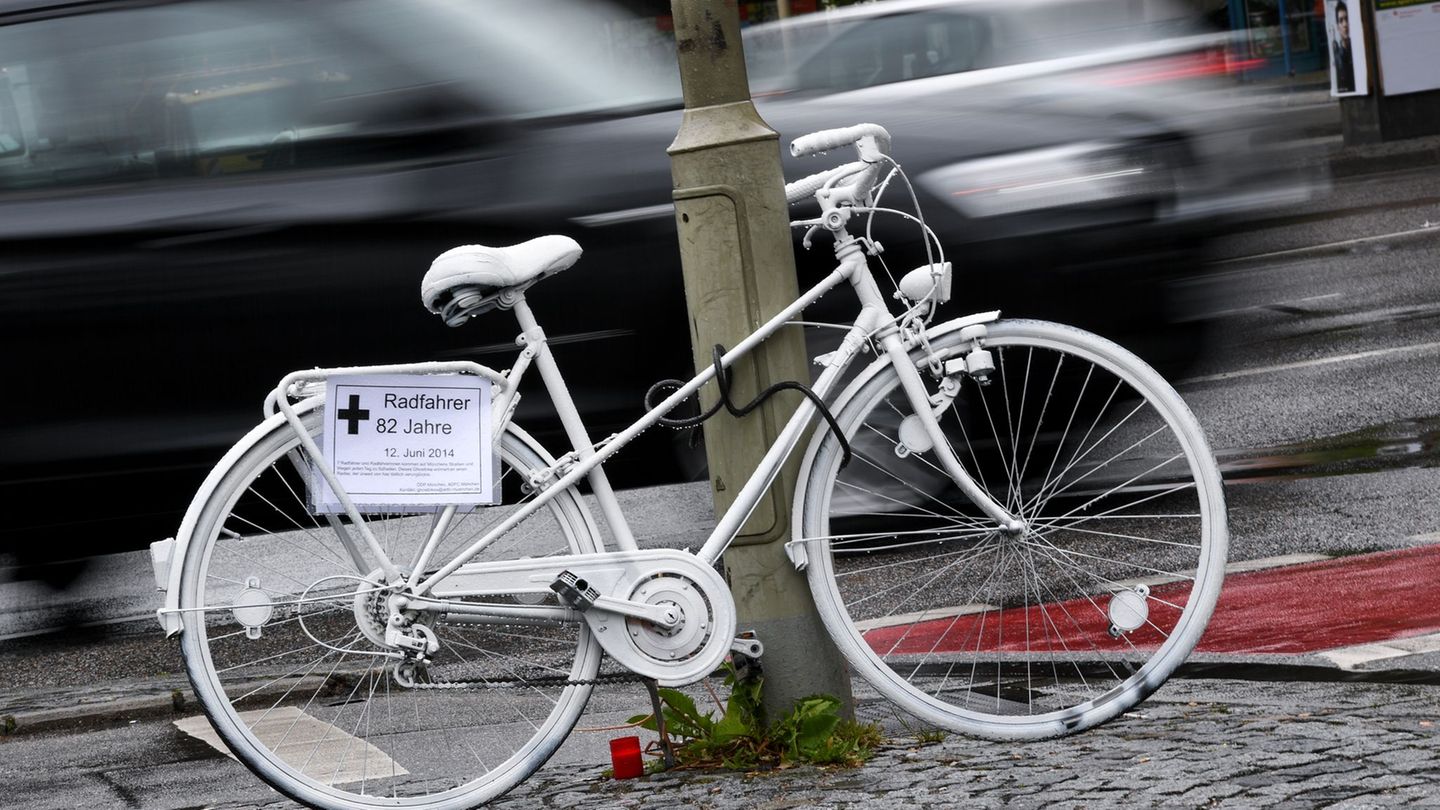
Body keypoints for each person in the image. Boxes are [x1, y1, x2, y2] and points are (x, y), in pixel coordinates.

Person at [1333, 0, 1356, 93]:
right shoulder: (1337, 54)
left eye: (1347, 19)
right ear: (1338, 26)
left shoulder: (1356, 50)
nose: (1345, 24)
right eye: (1341, 20)